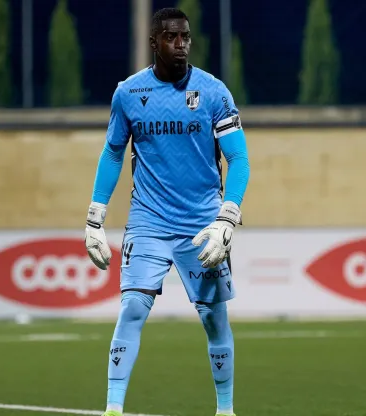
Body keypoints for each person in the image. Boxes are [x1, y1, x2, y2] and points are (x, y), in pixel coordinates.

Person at [84, 7, 250, 416]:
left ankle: (225, 410)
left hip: (201, 225)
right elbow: (113, 153)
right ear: (154, 41)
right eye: (173, 38)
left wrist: (227, 218)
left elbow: (239, 160)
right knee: (133, 306)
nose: (182, 45)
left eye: (186, 38)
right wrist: (94, 217)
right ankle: (113, 408)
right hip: (149, 220)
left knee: (214, 319)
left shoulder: (213, 92)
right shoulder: (129, 93)